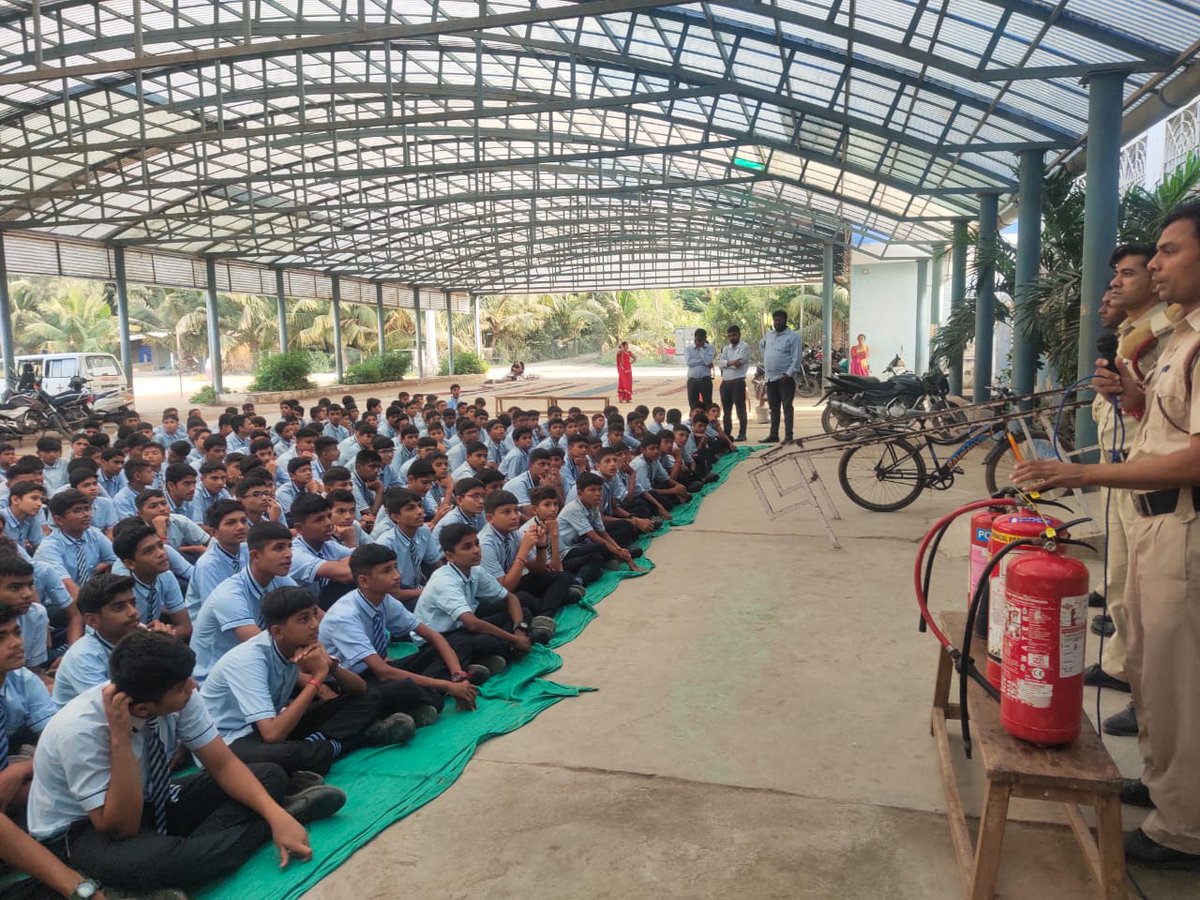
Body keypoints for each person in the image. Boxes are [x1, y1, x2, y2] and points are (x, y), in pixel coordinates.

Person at [1012, 202, 1200, 869]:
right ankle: (1165, 786)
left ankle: (1186, 829)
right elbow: (1165, 424)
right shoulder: (1175, 337)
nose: (1154, 265)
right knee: (1151, 669)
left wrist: (1079, 470)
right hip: (1150, 518)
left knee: (1182, 682)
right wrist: (1131, 398)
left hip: (1182, 522)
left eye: (1169, 252)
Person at [26, 631, 344, 891]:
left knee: (269, 776)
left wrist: (273, 815)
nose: (193, 688)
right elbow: (120, 827)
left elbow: (223, 764)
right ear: (141, 709)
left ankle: (243, 831)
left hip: (153, 796)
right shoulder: (79, 730)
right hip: (84, 829)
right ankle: (274, 821)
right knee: (160, 863)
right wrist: (120, 740)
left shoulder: (180, 692)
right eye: (182, 687)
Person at [1090, 244, 1178, 740]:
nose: (1116, 284)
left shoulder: (1171, 335)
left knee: (1151, 612)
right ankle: (1123, 667)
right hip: (1128, 469)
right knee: (1123, 580)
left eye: (1130, 273)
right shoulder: (1133, 334)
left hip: (1160, 489)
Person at [201, 586, 414, 777]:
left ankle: (321, 748)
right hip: (229, 740)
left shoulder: (301, 644)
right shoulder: (250, 660)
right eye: (304, 619)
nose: (314, 625)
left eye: (314, 615)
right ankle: (359, 739)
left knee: (370, 697)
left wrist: (332, 667)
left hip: (271, 724)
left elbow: (361, 690)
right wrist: (319, 677)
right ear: (277, 631)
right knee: (281, 758)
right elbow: (273, 734)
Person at [51, 574, 142, 708]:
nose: (133, 612)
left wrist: (165, 646)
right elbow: (113, 707)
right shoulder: (83, 656)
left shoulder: (137, 637)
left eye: (133, 603)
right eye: (119, 607)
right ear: (92, 620)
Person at [759, 309, 803, 443]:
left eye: (780, 320)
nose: (777, 322)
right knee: (774, 408)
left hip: (785, 378)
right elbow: (761, 346)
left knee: (787, 407)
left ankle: (789, 436)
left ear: (785, 320)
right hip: (770, 378)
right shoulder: (769, 335)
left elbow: (797, 357)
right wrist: (768, 358)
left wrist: (788, 373)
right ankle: (774, 434)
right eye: (775, 320)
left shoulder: (793, 337)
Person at [717, 325, 749, 441]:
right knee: (726, 411)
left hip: (738, 382)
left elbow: (738, 364)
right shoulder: (726, 348)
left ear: (739, 334)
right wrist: (730, 363)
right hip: (725, 383)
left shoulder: (744, 347)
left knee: (740, 409)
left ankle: (742, 434)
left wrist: (726, 364)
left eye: (734, 335)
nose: (732, 337)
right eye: (730, 336)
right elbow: (719, 363)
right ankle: (727, 434)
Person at [684, 328, 714, 410]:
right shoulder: (689, 349)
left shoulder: (710, 348)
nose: (698, 342)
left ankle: (707, 421)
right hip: (692, 381)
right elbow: (689, 362)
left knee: (708, 404)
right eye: (696, 339)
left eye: (700, 340)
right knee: (693, 405)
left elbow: (708, 361)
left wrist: (701, 349)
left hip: (705, 380)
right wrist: (702, 361)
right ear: (694, 338)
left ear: (705, 339)